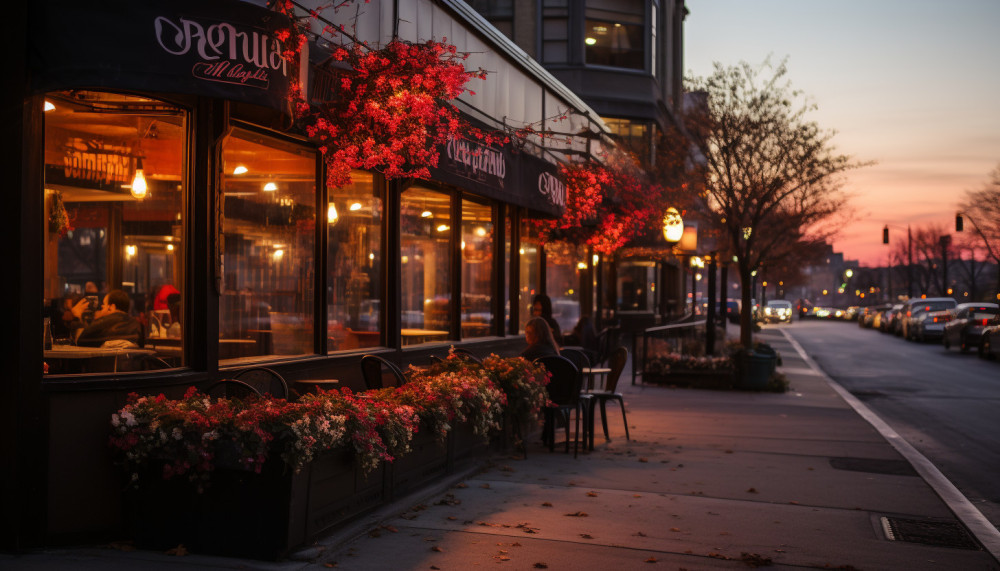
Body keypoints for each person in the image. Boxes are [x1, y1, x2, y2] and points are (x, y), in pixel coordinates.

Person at [69, 289, 143, 347]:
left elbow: (80, 341)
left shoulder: (103, 324)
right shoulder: (136, 325)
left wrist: (77, 317)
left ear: (111, 307)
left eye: (104, 304)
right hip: (129, 362)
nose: (101, 307)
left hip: (103, 362)